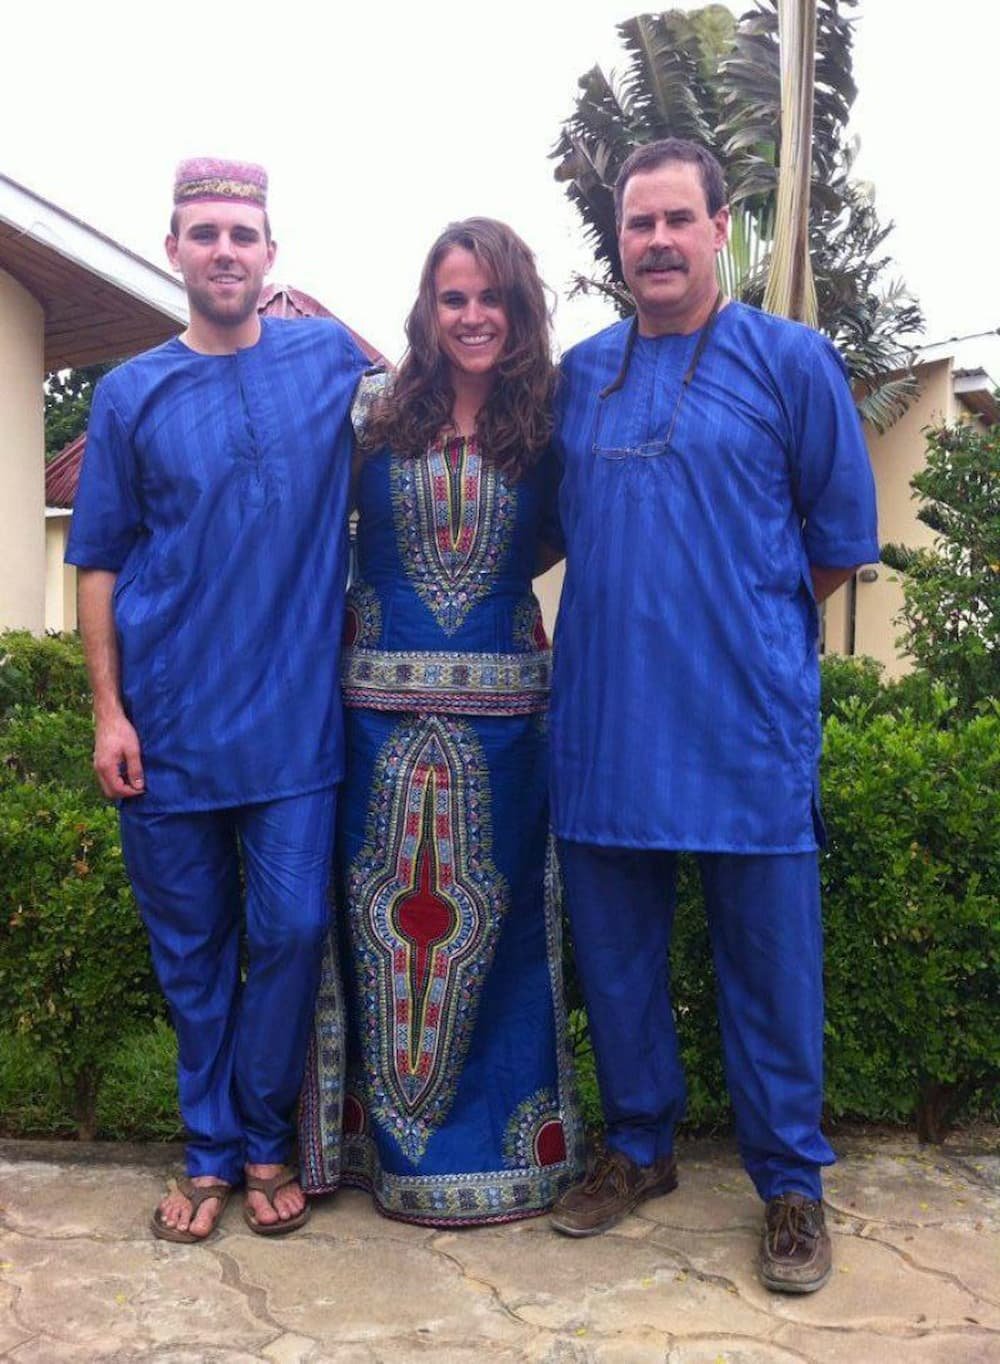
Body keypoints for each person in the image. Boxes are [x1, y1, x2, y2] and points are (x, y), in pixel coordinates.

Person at [547, 139, 878, 1293]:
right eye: (637, 224)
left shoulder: (791, 362)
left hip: (745, 724)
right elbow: (544, 523)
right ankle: (637, 1147)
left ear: (718, 225)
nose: (656, 242)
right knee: (619, 958)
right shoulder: (580, 375)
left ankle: (790, 1180)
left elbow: (834, 546)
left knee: (771, 966)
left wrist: (736, 616)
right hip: (602, 721)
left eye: (676, 221)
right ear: (619, 238)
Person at [66, 158, 370, 1241]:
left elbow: (431, 401)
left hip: (294, 728)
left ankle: (258, 1131)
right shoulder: (130, 392)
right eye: (205, 233)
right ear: (175, 250)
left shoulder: (329, 358)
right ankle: (209, 1151)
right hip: (169, 728)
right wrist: (110, 711)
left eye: (243, 232)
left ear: (272, 255)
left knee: (289, 930)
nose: (225, 250)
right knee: (191, 952)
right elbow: (95, 560)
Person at [298, 218, 585, 1224]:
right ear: (427, 307)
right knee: (384, 942)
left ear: (519, 307)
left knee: (497, 943)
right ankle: (379, 1154)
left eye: (490, 297)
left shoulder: (550, 419)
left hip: (507, 733)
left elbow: (567, 530)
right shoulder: (368, 410)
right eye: (452, 297)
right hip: (372, 729)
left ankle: (511, 1154)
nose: (471, 316)